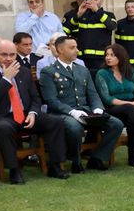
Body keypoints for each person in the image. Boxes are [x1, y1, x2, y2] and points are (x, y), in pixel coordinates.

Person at [0, 40, 65, 184]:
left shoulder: (23, 71)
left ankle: (55, 166)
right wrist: (6, 78)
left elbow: (35, 98)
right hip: (0, 116)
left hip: (25, 114)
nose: (9, 58)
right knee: (4, 128)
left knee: (55, 121)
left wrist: (33, 113)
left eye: (12, 55)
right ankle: (14, 170)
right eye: (4, 55)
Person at [40, 36, 122, 174]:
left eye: (77, 47)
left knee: (116, 124)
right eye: (72, 48)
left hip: (86, 111)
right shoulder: (49, 72)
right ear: (60, 50)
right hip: (63, 113)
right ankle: (75, 161)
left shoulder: (82, 70)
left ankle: (97, 158)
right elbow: (51, 100)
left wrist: (97, 108)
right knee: (74, 127)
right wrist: (72, 112)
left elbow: (92, 93)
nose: (77, 50)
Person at [15, 0, 65, 65]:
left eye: (37, 1)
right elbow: (20, 33)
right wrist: (34, 16)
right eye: (31, 2)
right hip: (34, 55)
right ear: (28, 4)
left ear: (42, 2)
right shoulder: (22, 17)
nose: (34, 4)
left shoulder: (53, 17)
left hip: (52, 55)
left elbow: (62, 36)